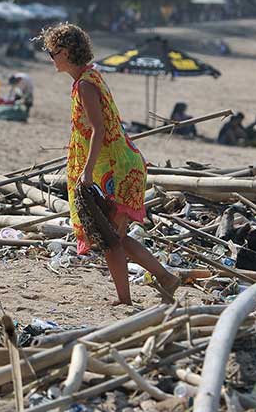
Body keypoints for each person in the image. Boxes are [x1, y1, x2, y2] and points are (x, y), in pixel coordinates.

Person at [39, 22, 180, 306]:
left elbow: (99, 130)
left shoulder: (86, 86)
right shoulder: (89, 78)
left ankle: (147, 287)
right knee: (113, 238)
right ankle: (156, 282)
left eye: (52, 52)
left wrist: (87, 171)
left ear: (65, 53)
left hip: (115, 169)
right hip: (118, 165)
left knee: (111, 239)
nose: (50, 57)